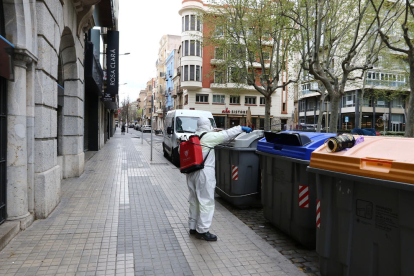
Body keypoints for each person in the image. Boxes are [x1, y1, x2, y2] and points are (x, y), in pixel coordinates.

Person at [186, 117, 252, 241]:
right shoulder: (208, 137)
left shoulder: (193, 137)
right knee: (206, 201)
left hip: (191, 173)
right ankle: (203, 230)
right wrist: (241, 128)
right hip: (204, 173)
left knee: (194, 200)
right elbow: (226, 134)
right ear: (208, 124)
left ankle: (193, 227)